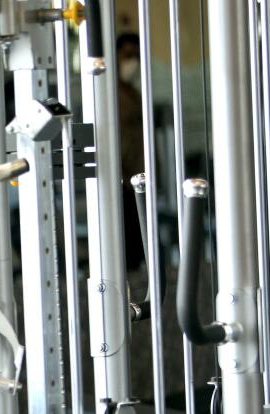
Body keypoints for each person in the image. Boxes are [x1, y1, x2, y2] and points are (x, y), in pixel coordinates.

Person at [115, 33, 146, 275]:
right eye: (128, 55)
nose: (132, 61)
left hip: (138, 175)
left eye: (136, 55)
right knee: (127, 235)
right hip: (123, 178)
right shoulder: (110, 94)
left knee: (140, 234)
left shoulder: (133, 91)